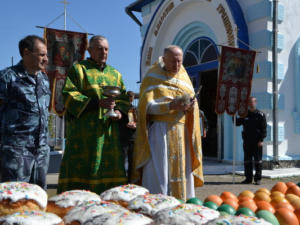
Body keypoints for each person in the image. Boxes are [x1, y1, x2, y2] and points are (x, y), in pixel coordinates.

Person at [57, 35, 130, 194]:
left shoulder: (115, 74)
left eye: (106, 49)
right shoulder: (79, 69)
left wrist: (118, 112)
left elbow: (124, 99)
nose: (103, 52)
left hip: (109, 134)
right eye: (98, 48)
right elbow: (69, 95)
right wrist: (97, 103)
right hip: (84, 134)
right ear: (89, 50)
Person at [133, 45, 204, 201]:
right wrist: (170, 106)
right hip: (160, 133)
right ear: (164, 60)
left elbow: (193, 105)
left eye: (179, 61)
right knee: (159, 175)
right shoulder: (152, 76)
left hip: (181, 134)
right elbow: (145, 108)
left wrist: (191, 106)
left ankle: (183, 207)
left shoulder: (185, 78)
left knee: (183, 174)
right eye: (173, 61)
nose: (176, 65)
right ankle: (156, 206)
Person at [0, 35, 50, 189]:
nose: (46, 59)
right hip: (16, 151)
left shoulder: (44, 79)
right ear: (26, 53)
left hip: (41, 151)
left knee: (38, 199)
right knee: (15, 200)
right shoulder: (7, 77)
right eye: (42, 55)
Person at [235, 96, 267, 185]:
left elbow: (264, 129)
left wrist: (261, 140)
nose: (250, 104)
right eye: (249, 102)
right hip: (247, 141)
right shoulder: (245, 114)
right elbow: (237, 123)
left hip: (257, 142)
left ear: (255, 103)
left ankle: (258, 179)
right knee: (247, 161)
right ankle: (248, 178)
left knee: (258, 161)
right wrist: (233, 115)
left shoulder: (261, 115)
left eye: (252, 102)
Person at [119, 91, 136, 183]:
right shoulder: (121, 109)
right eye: (129, 96)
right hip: (123, 138)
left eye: (132, 97)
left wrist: (135, 125)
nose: (131, 98)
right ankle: (122, 181)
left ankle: (131, 182)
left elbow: (138, 122)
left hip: (133, 138)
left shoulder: (134, 109)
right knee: (123, 162)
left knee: (132, 163)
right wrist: (126, 124)